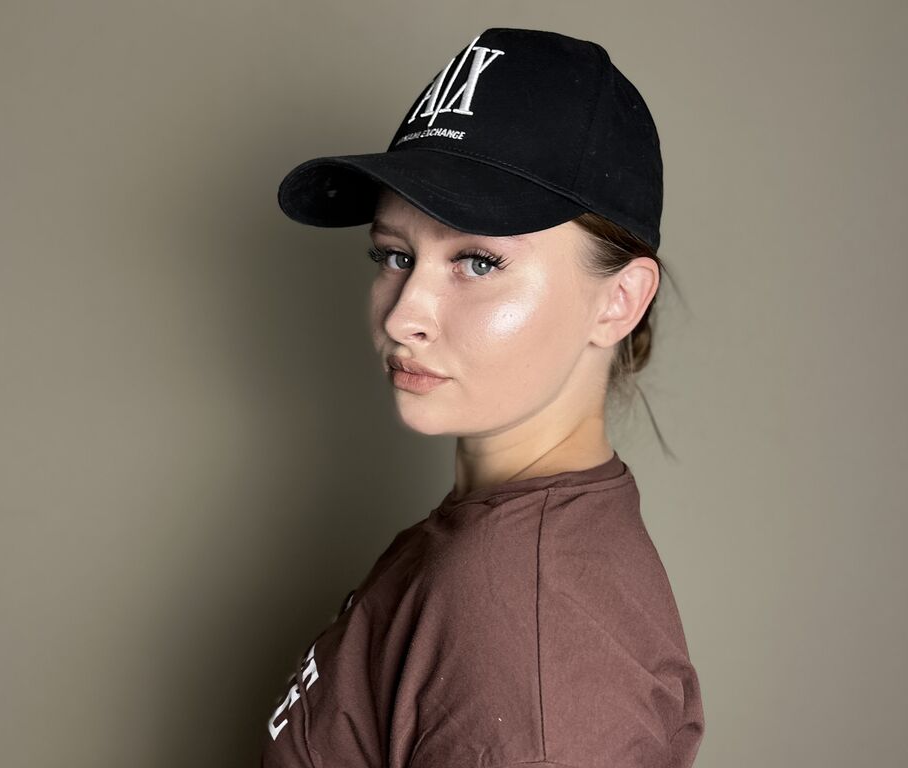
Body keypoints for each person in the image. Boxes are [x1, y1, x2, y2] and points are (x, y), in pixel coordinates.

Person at [261, 27, 705, 768]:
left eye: (477, 261)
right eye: (394, 255)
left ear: (619, 301)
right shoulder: (494, 547)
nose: (403, 315)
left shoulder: (530, 634)